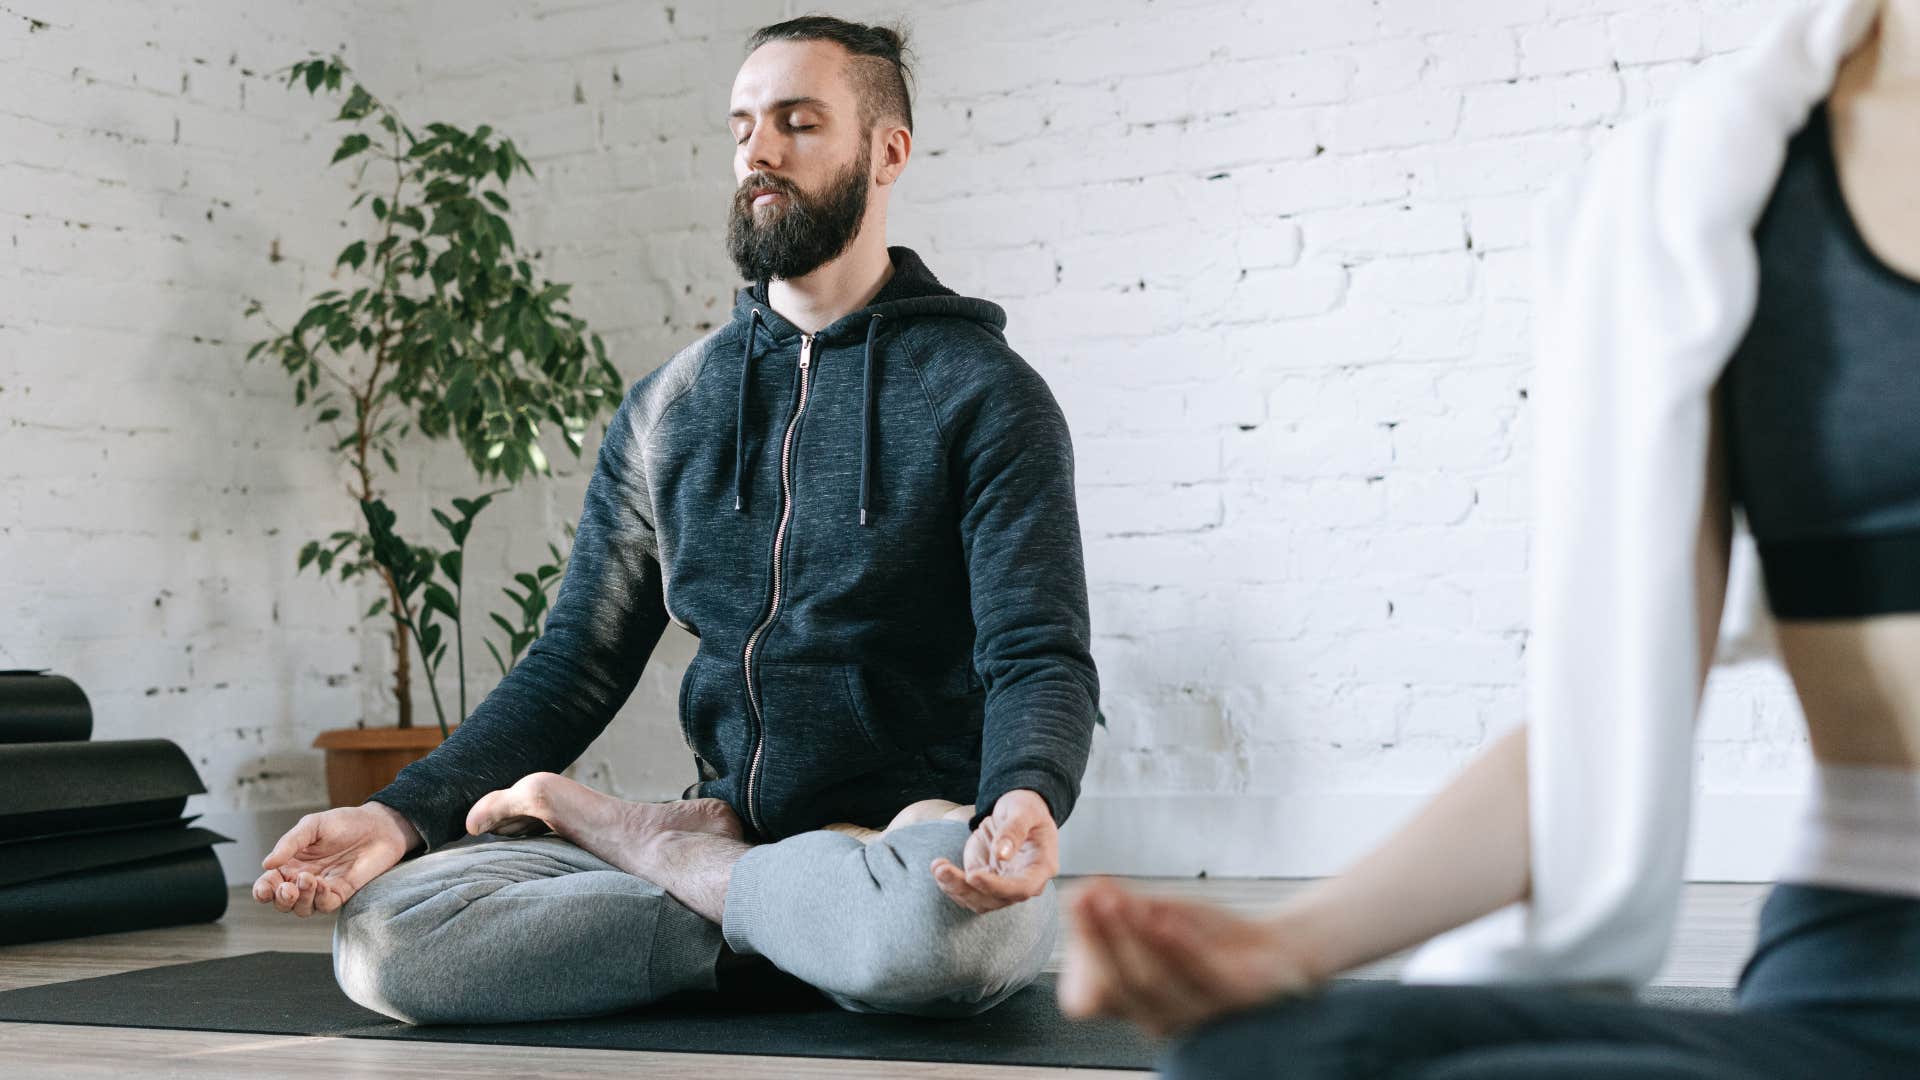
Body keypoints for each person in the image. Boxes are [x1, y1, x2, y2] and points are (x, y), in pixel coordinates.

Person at [1059, 0, 1920, 1076]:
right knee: (1259, 1059)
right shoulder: (1715, 187)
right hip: (1847, 968)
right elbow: (1597, 726)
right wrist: (1281, 945)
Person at [250, 15, 1099, 1025]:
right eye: (743, 126)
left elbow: (1038, 653)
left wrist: (1024, 802)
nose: (760, 152)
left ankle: (673, 861)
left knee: (950, 933)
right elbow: (577, 659)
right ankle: (788, 917)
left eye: (797, 121)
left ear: (887, 152)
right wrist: (398, 815)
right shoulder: (673, 407)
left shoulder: (984, 395)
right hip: (738, 826)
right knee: (390, 944)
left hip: (915, 832)